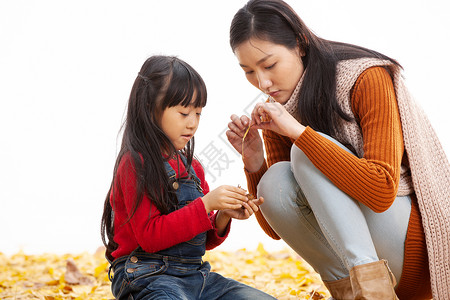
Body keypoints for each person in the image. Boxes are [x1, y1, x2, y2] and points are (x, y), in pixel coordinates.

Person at [226, 0, 450, 299]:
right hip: (365, 270)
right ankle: (355, 293)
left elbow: (382, 191)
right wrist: (254, 162)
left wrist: (299, 134)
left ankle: (372, 290)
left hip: (415, 254)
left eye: (269, 65)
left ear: (300, 44)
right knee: (276, 177)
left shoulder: (366, 78)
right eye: (248, 71)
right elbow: (276, 227)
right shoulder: (279, 107)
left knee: (305, 151)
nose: (263, 82)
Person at [100, 55, 276, 300]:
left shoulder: (193, 167)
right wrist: (206, 204)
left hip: (196, 277)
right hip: (146, 276)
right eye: (184, 113)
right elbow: (151, 237)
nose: (192, 123)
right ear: (150, 109)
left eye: (198, 113)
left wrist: (224, 214)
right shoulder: (135, 164)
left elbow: (201, 241)